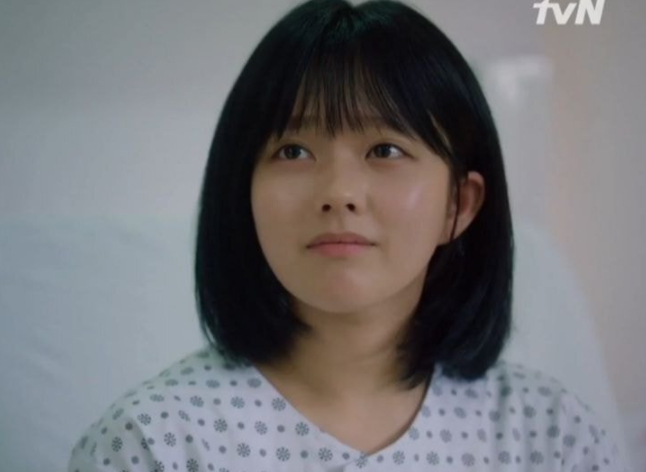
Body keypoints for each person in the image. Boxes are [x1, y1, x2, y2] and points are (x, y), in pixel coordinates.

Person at [68, 0, 630, 470]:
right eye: (293, 151)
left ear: (458, 205)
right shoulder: (153, 444)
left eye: (385, 149)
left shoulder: (552, 438)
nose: (338, 192)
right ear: (243, 194)